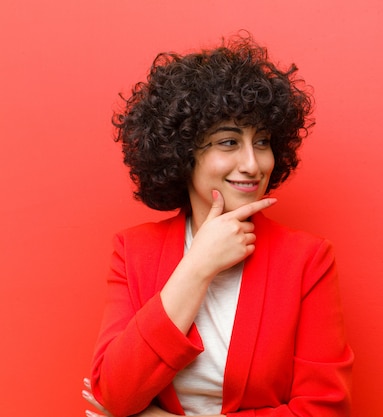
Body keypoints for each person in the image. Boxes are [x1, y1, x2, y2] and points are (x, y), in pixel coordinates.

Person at [82, 34, 353, 417]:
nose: (253, 164)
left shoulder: (308, 260)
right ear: (184, 153)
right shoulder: (132, 252)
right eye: (228, 142)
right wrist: (197, 266)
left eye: (261, 142)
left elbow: (325, 410)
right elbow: (114, 393)